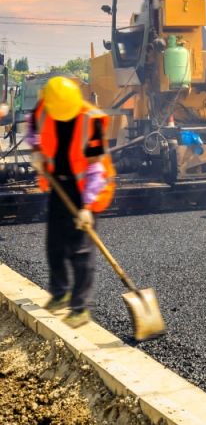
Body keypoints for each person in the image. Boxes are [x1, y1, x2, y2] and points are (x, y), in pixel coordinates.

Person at [28, 77, 115, 329]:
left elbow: (96, 169)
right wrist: (36, 151)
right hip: (58, 183)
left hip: (87, 187)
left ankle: (79, 308)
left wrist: (86, 207)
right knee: (54, 243)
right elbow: (33, 131)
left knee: (81, 249)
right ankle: (59, 293)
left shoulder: (90, 120)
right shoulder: (44, 108)